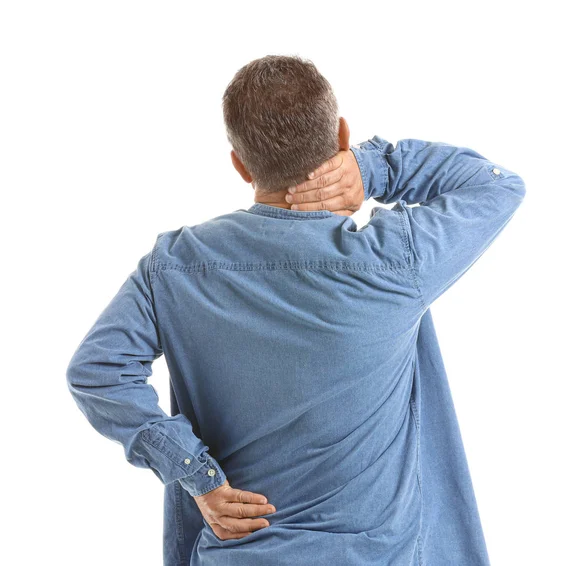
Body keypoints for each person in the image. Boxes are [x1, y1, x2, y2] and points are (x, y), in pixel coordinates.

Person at [66, 54, 525, 565]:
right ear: (341, 135)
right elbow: (496, 185)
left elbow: (97, 371)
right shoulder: (395, 261)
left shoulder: (174, 266)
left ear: (239, 163)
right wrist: (372, 168)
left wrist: (193, 471)